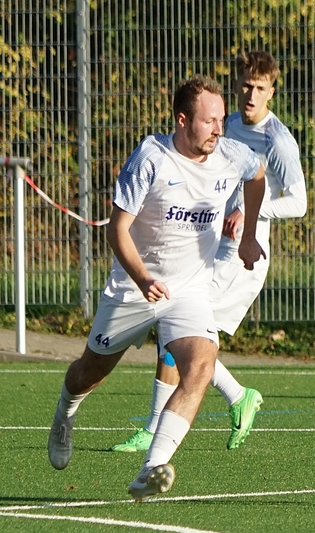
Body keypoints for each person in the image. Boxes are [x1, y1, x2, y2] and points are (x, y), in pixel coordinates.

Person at [46, 75, 267, 501]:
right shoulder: (151, 158)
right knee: (89, 372)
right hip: (135, 288)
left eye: (222, 119)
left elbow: (256, 175)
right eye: (209, 121)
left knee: (200, 365)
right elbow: (117, 229)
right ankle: (64, 414)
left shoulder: (229, 154)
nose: (219, 129)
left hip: (189, 291)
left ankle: (152, 468)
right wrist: (143, 278)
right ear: (182, 120)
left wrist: (250, 234)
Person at [110, 50, 307, 454]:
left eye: (261, 88)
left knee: (177, 326)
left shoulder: (278, 141)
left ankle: (163, 424)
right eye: (246, 86)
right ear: (236, 84)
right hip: (207, 245)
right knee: (175, 326)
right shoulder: (225, 125)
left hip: (241, 254)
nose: (251, 95)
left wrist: (250, 212)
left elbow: (299, 203)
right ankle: (234, 397)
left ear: (272, 92)